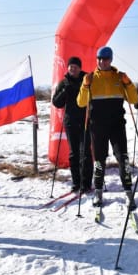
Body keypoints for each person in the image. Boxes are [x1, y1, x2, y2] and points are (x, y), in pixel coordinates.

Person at [76, 46, 138, 208]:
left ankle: (128, 192)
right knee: (99, 160)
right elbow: (81, 103)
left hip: (117, 126)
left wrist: (128, 83)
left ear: (111, 60)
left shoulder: (119, 77)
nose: (102, 61)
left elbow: (134, 99)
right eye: (99, 58)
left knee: (122, 159)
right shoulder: (90, 78)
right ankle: (98, 192)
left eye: (105, 59)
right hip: (97, 127)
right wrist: (84, 85)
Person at [52, 57, 93, 192]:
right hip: (70, 122)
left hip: (85, 121)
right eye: (71, 67)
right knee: (73, 154)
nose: (73, 69)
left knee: (85, 153)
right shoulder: (63, 83)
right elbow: (56, 103)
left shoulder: (87, 80)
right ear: (68, 68)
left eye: (75, 67)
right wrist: (64, 92)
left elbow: (94, 98)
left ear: (80, 68)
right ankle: (76, 182)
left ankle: (86, 183)